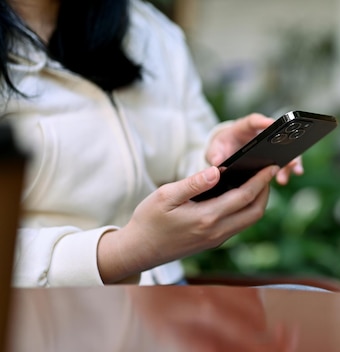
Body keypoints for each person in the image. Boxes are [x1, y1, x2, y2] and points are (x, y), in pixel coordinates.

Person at [1, 0, 303, 287]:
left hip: (163, 297)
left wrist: (219, 154)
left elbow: (186, 149)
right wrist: (125, 250)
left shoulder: (148, 29)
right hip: (37, 316)